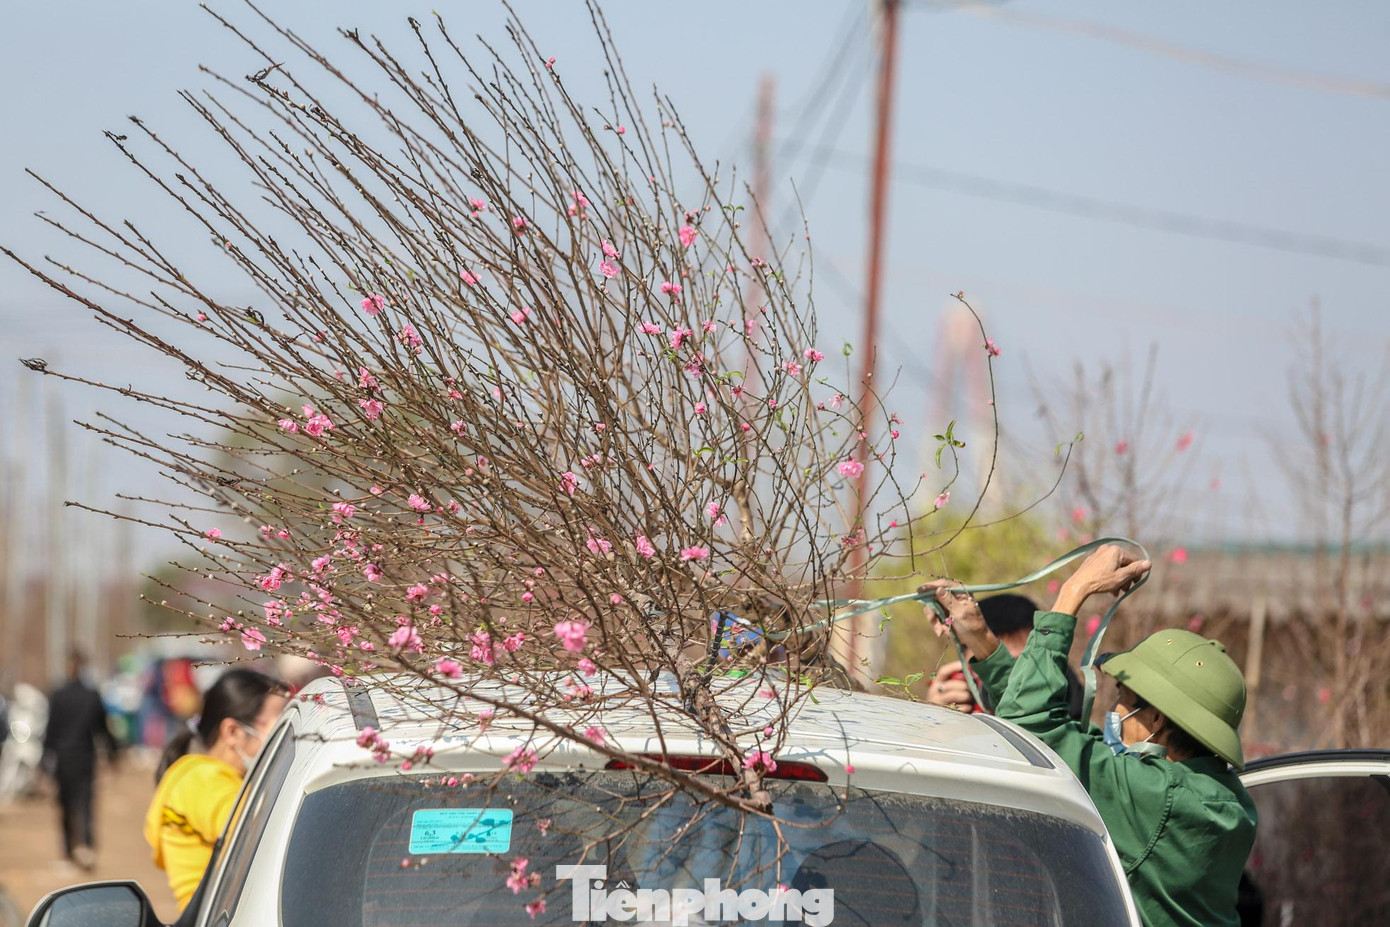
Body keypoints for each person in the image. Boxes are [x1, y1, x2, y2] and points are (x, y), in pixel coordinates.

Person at [921, 545, 1257, 927]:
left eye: (1122, 700)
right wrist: (981, 640)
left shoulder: (1158, 798)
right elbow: (1054, 736)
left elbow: (1035, 723)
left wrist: (1074, 591)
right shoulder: (1220, 797)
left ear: (1157, 719)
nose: (1113, 712)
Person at [144, 668, 288, 911]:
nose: (288, 736)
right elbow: (264, 845)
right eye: (279, 726)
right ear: (233, 732)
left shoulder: (192, 776)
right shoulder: (209, 783)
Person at [925, 593, 1084, 718]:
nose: (1007, 684)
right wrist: (933, 722)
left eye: (1022, 669)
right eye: (985, 669)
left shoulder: (1063, 684)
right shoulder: (956, 698)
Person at [42, 651, 118, 871]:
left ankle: (67, 851)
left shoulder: (58, 695)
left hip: (63, 758)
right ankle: (86, 847)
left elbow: (50, 731)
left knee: (65, 804)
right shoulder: (91, 694)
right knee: (84, 802)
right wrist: (113, 753)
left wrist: (43, 761)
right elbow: (102, 729)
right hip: (85, 757)